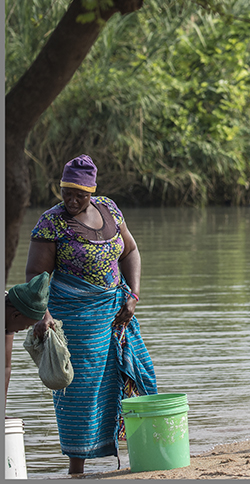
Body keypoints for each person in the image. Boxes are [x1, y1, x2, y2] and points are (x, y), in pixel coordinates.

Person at [26, 154, 157, 474]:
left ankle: (145, 455)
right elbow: (35, 275)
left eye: (79, 195)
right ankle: (77, 470)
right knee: (80, 394)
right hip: (76, 322)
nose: (71, 200)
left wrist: (133, 295)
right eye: (66, 193)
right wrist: (43, 315)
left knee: (136, 379)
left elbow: (130, 251)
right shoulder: (51, 223)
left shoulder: (109, 209)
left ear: (92, 192)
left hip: (116, 315)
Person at [5, 272, 51, 415]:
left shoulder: (8, 317)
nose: (23, 330)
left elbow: (5, 367)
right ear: (16, 315)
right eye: (26, 326)